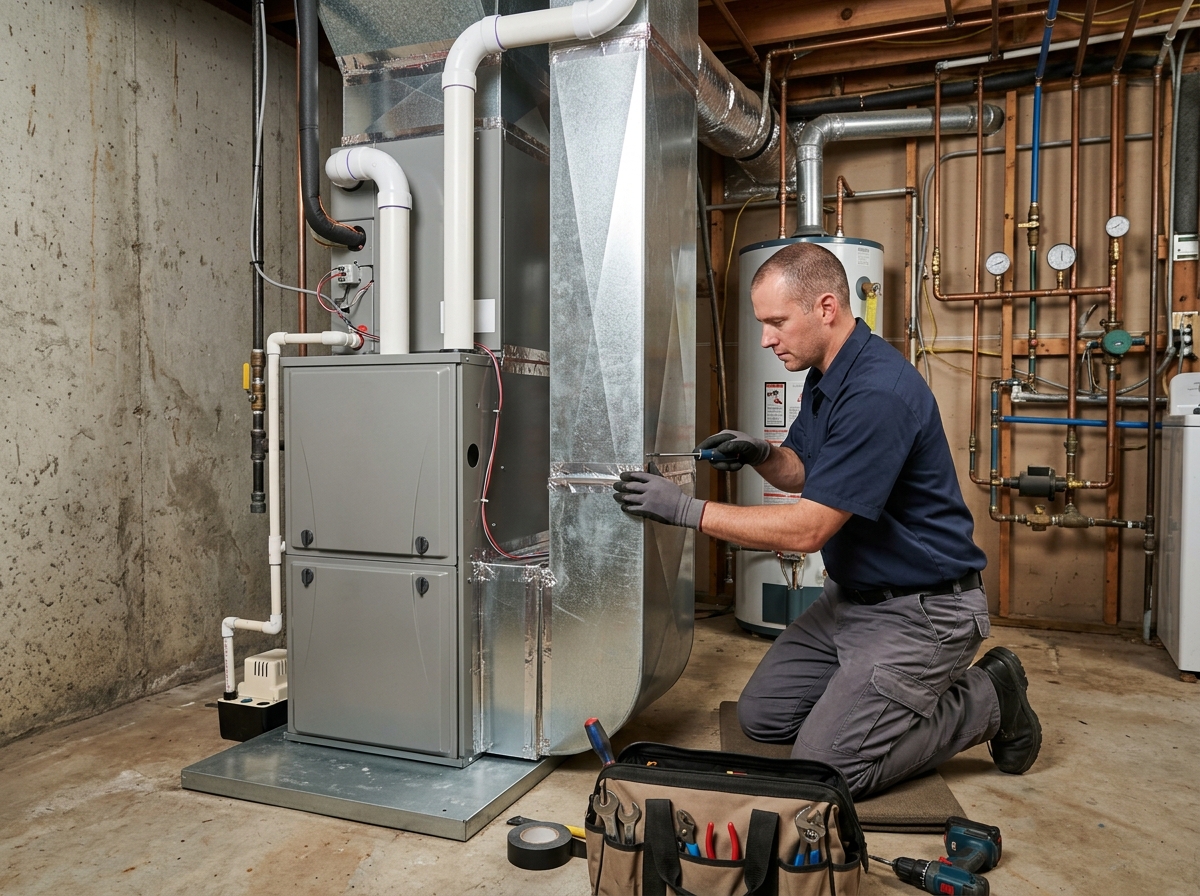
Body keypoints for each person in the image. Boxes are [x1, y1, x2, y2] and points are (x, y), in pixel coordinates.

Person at [612, 241, 1041, 798]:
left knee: (827, 770)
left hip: (923, 612)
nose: (766, 339)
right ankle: (868, 696)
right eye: (762, 323)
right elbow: (803, 470)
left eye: (776, 322)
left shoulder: (877, 393)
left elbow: (808, 529)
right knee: (762, 718)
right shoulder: (826, 375)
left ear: (827, 308)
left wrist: (684, 511)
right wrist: (761, 453)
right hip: (850, 602)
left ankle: (989, 698)